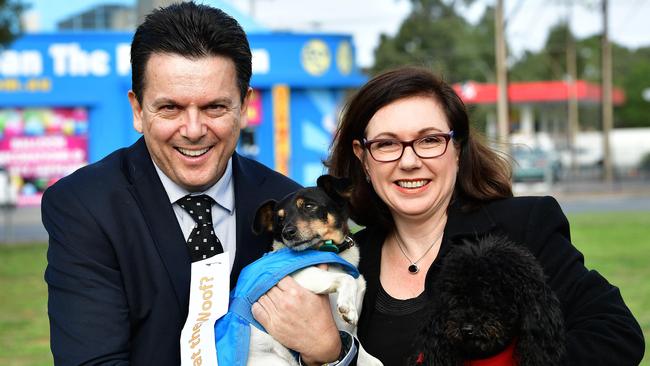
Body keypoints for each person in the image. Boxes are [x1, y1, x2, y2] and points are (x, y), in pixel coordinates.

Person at [42, 3, 348, 365]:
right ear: (138, 110)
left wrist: (332, 353)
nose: (193, 130)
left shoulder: (285, 201)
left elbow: (326, 334)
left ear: (244, 105)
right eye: (170, 108)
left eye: (214, 107)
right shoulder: (84, 205)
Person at [326, 67, 645, 365]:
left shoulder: (523, 227)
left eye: (430, 140)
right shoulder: (346, 260)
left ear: (458, 148)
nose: (409, 161)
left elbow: (616, 335)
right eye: (386, 144)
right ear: (362, 157)